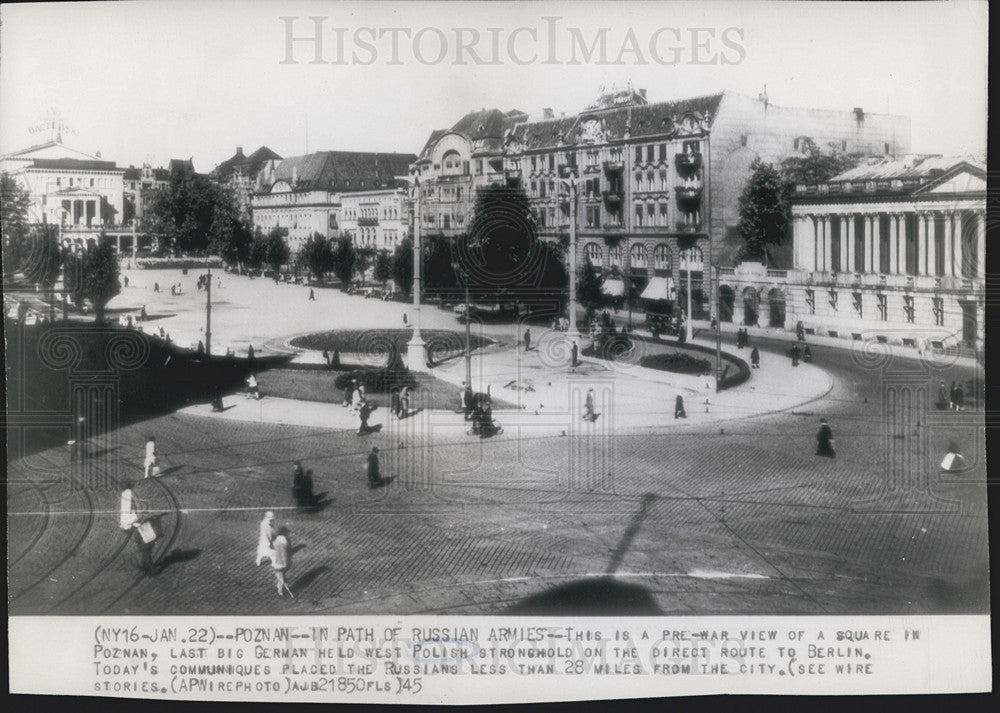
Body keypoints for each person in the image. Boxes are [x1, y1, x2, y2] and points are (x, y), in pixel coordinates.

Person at [120, 481, 157, 575]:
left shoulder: (125, 494)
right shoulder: (129, 494)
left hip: (135, 523)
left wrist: (126, 524)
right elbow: (130, 510)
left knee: (145, 545)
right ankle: (147, 566)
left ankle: (148, 567)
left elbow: (127, 510)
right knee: (145, 545)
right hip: (136, 523)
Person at [272, 526, 292, 597]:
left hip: (277, 563)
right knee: (281, 577)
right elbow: (284, 553)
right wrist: (285, 562)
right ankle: (282, 590)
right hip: (283, 563)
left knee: (280, 577)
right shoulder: (285, 541)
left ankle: (280, 591)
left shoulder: (276, 540)